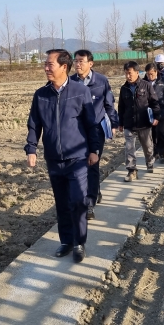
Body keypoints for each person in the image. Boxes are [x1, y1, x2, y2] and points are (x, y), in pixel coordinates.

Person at [25, 49, 100, 263]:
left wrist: (94, 150)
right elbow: (34, 125)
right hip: (54, 159)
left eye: (50, 64)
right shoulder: (41, 95)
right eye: (46, 65)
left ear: (63, 67)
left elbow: (90, 124)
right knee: (61, 203)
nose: (46, 68)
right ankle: (66, 241)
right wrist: (31, 149)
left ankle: (79, 242)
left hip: (77, 158)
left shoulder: (79, 91)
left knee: (78, 201)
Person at [71, 49, 120, 220]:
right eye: (75, 61)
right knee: (79, 167)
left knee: (92, 165)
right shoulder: (70, 82)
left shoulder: (101, 81)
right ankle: (94, 192)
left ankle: (89, 205)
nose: (77, 64)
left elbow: (109, 104)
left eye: (81, 61)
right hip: (76, 132)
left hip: (96, 130)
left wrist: (114, 123)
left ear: (90, 63)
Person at [118, 61, 160, 182]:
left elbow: (154, 102)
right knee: (129, 148)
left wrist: (156, 117)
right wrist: (120, 123)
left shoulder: (146, 86)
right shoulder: (124, 88)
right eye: (126, 73)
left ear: (137, 72)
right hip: (129, 124)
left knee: (147, 147)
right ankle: (132, 170)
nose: (128, 76)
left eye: (130, 73)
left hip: (144, 123)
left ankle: (150, 162)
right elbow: (121, 107)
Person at [144, 63, 164, 163]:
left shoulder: (163, 80)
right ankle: (154, 152)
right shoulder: (144, 82)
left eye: (151, 74)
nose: (149, 76)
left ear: (156, 71)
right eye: (148, 74)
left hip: (161, 111)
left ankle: (162, 153)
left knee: (160, 132)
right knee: (151, 134)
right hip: (148, 112)